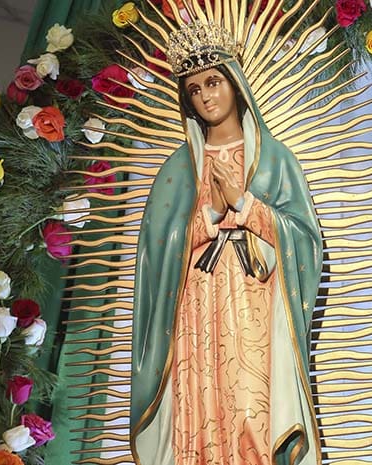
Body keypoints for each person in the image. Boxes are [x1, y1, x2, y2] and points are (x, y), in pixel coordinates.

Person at [130, 21, 323, 465]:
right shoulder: (178, 169)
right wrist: (209, 216)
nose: (205, 95)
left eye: (213, 81)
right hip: (195, 309)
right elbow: (156, 252)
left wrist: (247, 205)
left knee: (250, 409)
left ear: (234, 83)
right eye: (194, 88)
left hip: (256, 307)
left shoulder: (275, 160)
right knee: (201, 408)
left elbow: (305, 241)